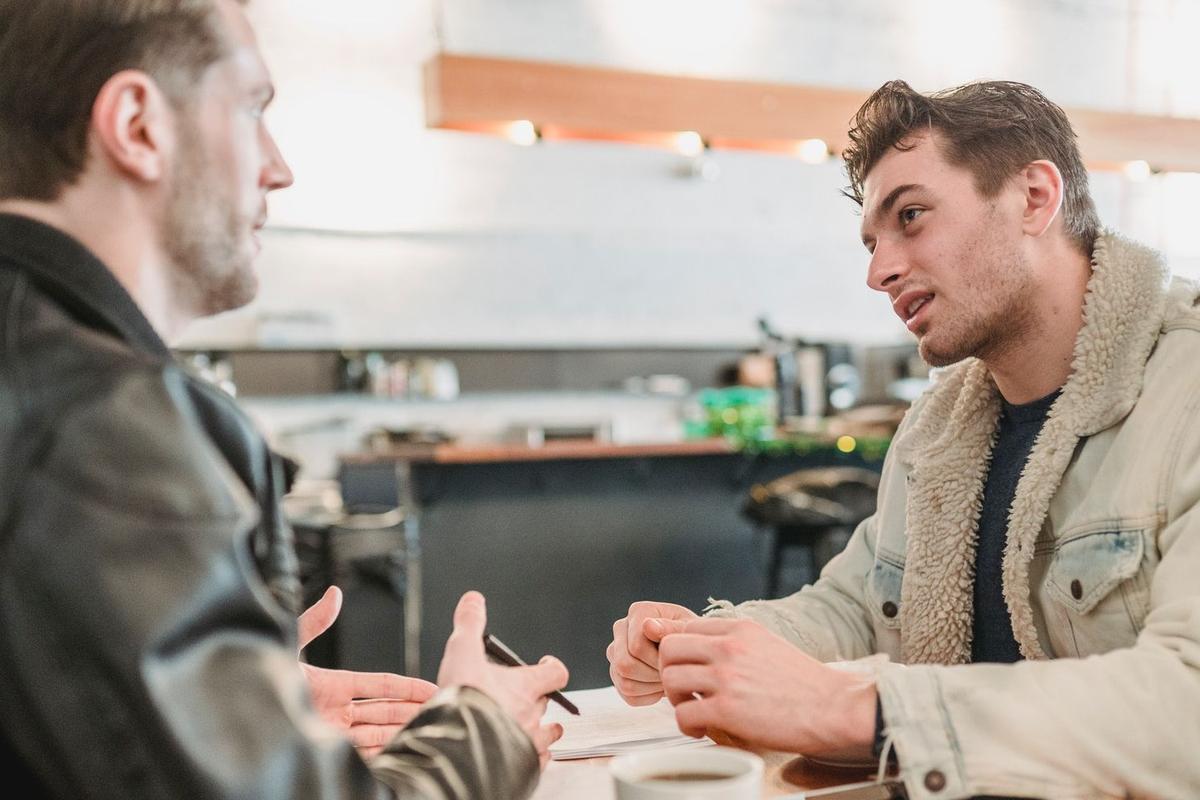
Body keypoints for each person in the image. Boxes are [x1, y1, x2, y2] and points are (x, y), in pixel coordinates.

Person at [0, 1, 568, 797]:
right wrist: (482, 728)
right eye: (252, 109)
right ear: (137, 125)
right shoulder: (98, 426)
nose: (279, 165)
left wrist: (221, 713)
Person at [609, 79, 1200, 799]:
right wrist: (707, 649)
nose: (878, 271)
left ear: (1035, 199)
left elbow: (1185, 701)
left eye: (911, 216)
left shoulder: (1186, 388)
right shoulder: (939, 426)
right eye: (872, 240)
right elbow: (858, 604)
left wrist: (862, 714)